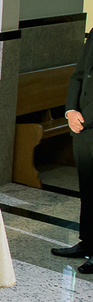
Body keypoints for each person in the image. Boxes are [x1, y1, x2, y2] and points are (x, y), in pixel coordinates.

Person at [59, 29, 93, 273]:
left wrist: (84, 118)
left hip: (88, 121)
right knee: (87, 187)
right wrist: (71, 111)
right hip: (83, 126)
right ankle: (87, 241)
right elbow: (79, 74)